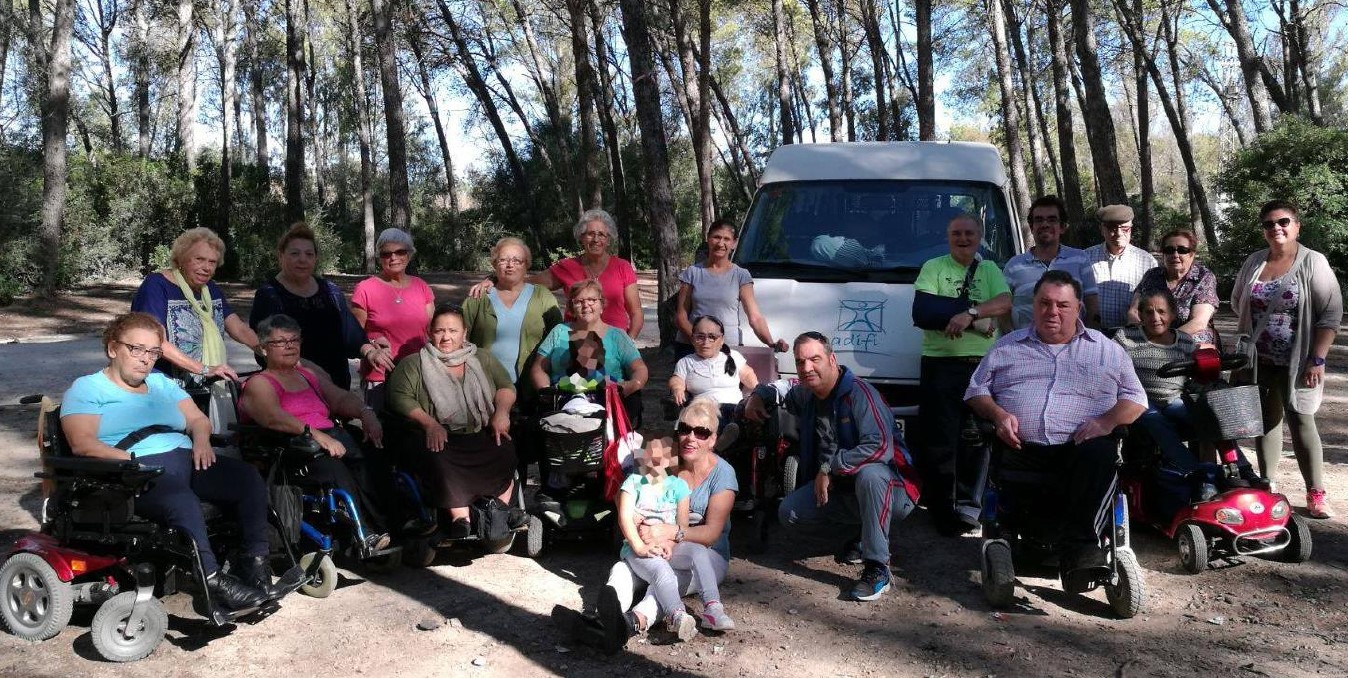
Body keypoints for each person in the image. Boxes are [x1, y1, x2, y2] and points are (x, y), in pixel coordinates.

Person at [60, 313, 272, 610]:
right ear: (112, 348)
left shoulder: (160, 382)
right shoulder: (88, 388)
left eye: (153, 352)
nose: (145, 359)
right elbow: (82, 444)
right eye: (136, 349)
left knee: (247, 478)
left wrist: (201, 441)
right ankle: (211, 580)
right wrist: (132, 461)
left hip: (187, 457)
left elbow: (197, 419)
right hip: (134, 471)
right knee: (180, 499)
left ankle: (255, 562)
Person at [965, 270, 1146, 587]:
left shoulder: (1107, 350)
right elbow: (976, 390)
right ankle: (1029, 541)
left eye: (1062, 305)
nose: (1052, 312)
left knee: (1100, 454)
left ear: (1079, 309)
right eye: (1044, 303)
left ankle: (1080, 551)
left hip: (1082, 450)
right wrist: (996, 414)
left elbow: (1136, 398)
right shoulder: (1007, 347)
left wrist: (1105, 422)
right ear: (1033, 306)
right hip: (1022, 448)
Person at [744, 332, 921, 602]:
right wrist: (757, 395)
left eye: (815, 359)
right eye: (800, 361)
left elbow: (880, 447)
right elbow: (781, 388)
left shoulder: (860, 394)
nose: (806, 368)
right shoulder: (807, 393)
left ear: (832, 359)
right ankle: (860, 534)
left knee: (871, 474)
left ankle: (877, 567)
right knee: (790, 513)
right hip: (842, 489)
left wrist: (829, 467)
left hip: (894, 490)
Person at [238, 314, 392, 552]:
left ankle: (390, 526)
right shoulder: (259, 383)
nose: (289, 346)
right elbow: (273, 417)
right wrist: (316, 435)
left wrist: (366, 413)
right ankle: (363, 533)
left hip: (330, 437)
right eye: (280, 342)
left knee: (375, 452)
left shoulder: (307, 375)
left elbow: (340, 397)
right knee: (336, 469)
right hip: (292, 447)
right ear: (263, 349)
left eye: (294, 340)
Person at [1230, 199, 1343, 519]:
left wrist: (1317, 359)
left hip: (1299, 361)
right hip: (1258, 361)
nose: (1276, 228)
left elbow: (1330, 315)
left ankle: (1316, 492)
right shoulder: (1254, 261)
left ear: (1296, 226)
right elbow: (1239, 302)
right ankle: (1267, 487)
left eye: (1283, 222)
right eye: (1269, 224)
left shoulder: (1313, 262)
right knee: (1265, 423)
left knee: (1302, 420)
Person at [598, 398, 739, 653]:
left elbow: (710, 534)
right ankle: (605, 616)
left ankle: (632, 622)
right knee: (622, 569)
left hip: (705, 554)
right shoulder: (668, 459)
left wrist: (670, 533)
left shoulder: (723, 473)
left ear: (712, 440)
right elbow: (629, 489)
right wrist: (634, 516)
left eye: (701, 432)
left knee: (667, 581)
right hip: (657, 547)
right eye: (684, 429)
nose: (690, 437)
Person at [386, 304, 525, 540]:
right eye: (440, 331)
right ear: (430, 332)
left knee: (505, 448)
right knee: (437, 456)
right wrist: (429, 423)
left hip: (479, 431)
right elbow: (399, 397)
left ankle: (497, 510)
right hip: (440, 434)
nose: (446, 337)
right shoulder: (413, 363)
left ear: (464, 333)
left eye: (453, 330)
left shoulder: (482, 358)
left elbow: (505, 386)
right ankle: (461, 518)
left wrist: (501, 413)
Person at [912, 213, 1011, 536]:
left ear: (979, 236)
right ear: (948, 236)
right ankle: (941, 509)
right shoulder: (933, 267)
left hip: (982, 367)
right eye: (957, 233)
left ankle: (969, 508)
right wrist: (979, 317)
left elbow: (1005, 302)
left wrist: (970, 314)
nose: (963, 238)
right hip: (940, 364)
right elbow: (923, 312)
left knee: (977, 438)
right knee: (940, 440)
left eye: (969, 233)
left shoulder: (990, 269)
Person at [471, 209, 643, 339]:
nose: (596, 239)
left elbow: (636, 313)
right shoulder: (567, 266)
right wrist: (494, 279)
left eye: (601, 234)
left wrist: (629, 343)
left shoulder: (622, 267)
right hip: (577, 341)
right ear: (581, 237)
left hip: (615, 340)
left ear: (608, 239)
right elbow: (527, 282)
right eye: (590, 234)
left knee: (617, 386)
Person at [250, 223, 379, 391]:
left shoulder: (331, 291)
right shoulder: (268, 295)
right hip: (291, 389)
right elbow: (265, 348)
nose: (302, 259)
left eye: (309, 254)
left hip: (336, 386)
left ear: (315, 258)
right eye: (295, 253)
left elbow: (350, 333)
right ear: (281, 256)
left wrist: (370, 351)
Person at [131, 227, 261, 380]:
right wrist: (205, 369)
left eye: (212, 262)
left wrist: (269, 351)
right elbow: (155, 340)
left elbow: (239, 328)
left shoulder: (211, 289)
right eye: (199, 259)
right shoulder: (157, 285)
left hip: (207, 383)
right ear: (182, 259)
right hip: (165, 384)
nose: (206, 268)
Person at [614, 434, 699, 642]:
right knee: (648, 571)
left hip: (664, 549)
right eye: (650, 454)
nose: (655, 460)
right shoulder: (634, 482)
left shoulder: (678, 487)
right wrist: (640, 547)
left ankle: (612, 621)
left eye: (662, 455)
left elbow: (682, 526)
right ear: (642, 457)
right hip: (637, 549)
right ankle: (676, 614)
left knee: (622, 571)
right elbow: (624, 518)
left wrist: (669, 542)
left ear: (672, 459)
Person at [531, 279, 649, 423]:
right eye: (579, 301)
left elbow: (639, 368)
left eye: (592, 300)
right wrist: (546, 389)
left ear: (602, 305)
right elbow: (539, 367)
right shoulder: (559, 332)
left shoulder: (617, 336)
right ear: (572, 307)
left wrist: (632, 384)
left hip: (609, 405)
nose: (586, 305)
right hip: (561, 404)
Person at [673, 219, 788, 357]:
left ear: (734, 243)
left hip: (727, 349)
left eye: (726, 239)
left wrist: (771, 342)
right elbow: (681, 316)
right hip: (691, 348)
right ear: (708, 239)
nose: (721, 243)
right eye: (716, 237)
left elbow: (755, 317)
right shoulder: (692, 273)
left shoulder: (741, 275)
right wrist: (701, 341)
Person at [351, 228, 435, 409]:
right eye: (386, 253)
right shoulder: (365, 289)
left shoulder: (421, 287)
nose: (393, 257)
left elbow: (431, 331)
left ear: (410, 254)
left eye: (400, 252)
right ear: (379, 257)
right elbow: (354, 335)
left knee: (417, 431)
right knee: (382, 431)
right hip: (379, 376)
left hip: (417, 373)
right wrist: (372, 342)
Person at [462, 237, 563, 387]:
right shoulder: (478, 297)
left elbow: (559, 336)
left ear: (526, 265)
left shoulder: (542, 296)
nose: (510, 265)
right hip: (485, 385)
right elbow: (459, 338)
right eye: (503, 260)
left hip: (531, 386)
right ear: (494, 264)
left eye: (517, 261)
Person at [1002, 195, 1099, 330]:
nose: (1045, 224)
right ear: (1031, 227)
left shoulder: (1080, 259)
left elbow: (1092, 303)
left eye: (1052, 220)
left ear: (1063, 227)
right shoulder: (1014, 266)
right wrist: (1011, 338)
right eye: (1039, 220)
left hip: (1072, 347)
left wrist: (1089, 339)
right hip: (1025, 347)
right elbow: (1003, 309)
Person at [1128, 228, 1219, 345]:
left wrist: (1164, 340)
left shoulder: (1203, 277)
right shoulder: (1152, 275)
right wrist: (1139, 334)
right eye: (1169, 250)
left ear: (1192, 254)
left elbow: (1199, 322)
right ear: (1163, 254)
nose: (1175, 255)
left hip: (1190, 343)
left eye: (1182, 250)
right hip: (1149, 340)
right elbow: (1134, 311)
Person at [668, 315, 758, 427]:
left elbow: (748, 374)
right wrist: (677, 389)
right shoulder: (686, 361)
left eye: (712, 337)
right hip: (703, 411)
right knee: (705, 419)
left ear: (721, 340)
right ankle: (725, 437)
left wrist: (758, 393)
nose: (706, 342)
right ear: (692, 339)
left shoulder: (734, 356)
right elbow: (677, 379)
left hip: (734, 408)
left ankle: (725, 436)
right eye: (700, 337)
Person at [1084, 205, 1157, 332]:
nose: (1118, 234)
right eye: (1112, 229)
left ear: (1131, 228)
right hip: (1093, 334)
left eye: (1125, 229)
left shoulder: (1147, 261)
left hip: (1133, 335)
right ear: (1102, 229)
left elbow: (1155, 301)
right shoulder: (1085, 258)